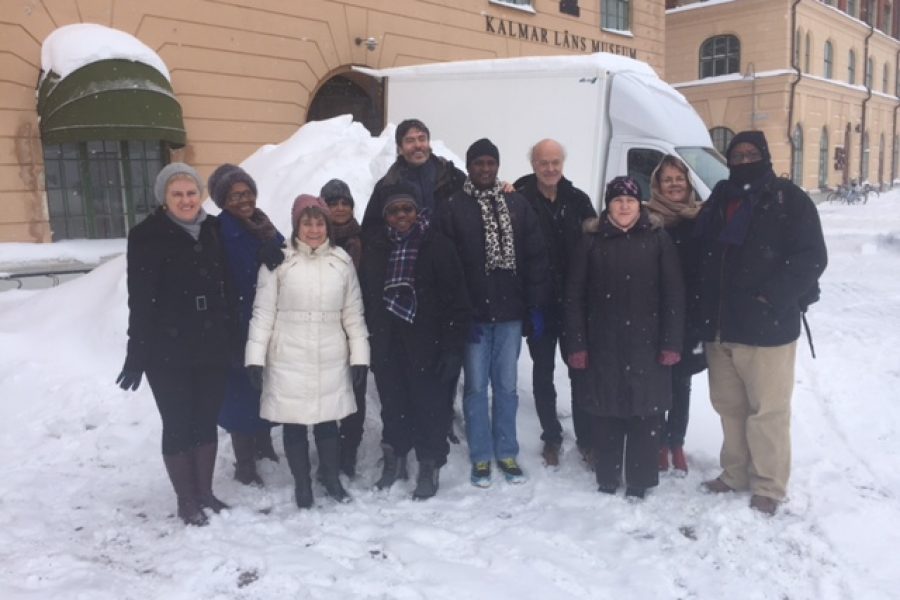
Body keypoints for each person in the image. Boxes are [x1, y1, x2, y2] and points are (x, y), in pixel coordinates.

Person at [694, 130, 827, 515]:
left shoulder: (789, 200)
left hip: (768, 329)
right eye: (737, 154)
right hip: (721, 327)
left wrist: (771, 297)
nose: (744, 160)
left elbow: (811, 258)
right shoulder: (720, 198)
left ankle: (769, 484)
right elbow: (703, 251)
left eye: (752, 153)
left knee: (767, 410)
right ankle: (735, 473)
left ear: (765, 156)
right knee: (729, 407)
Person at [116, 163, 233, 526]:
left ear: (201, 195)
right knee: (178, 422)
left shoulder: (215, 228)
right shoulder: (146, 235)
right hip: (168, 349)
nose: (186, 200)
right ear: (164, 199)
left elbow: (229, 286)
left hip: (212, 343)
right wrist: (136, 355)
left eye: (191, 193)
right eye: (177, 194)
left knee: (206, 421)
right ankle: (186, 499)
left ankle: (205, 493)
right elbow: (141, 299)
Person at [244, 195, 369, 509]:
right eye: (307, 222)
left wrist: (360, 356)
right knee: (294, 423)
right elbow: (262, 314)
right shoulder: (278, 262)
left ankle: (330, 478)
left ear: (327, 226)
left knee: (328, 422)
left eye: (319, 223)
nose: (314, 229)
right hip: (289, 355)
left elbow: (353, 314)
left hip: (330, 354)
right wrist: (255, 358)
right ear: (296, 225)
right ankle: (302, 484)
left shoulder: (341, 263)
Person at [438, 138, 550, 488]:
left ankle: (506, 451)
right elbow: (448, 266)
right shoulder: (455, 207)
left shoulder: (516, 204)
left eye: (491, 163)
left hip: (511, 314)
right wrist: (461, 312)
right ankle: (481, 456)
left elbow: (535, 258)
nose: (485, 169)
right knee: (475, 389)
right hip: (474, 316)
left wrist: (534, 306)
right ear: (469, 167)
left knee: (506, 387)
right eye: (479, 163)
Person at [565, 176, 685, 500]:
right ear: (608, 205)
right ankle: (607, 475)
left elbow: (674, 295)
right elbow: (574, 296)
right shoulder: (590, 241)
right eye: (618, 200)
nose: (624, 206)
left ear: (640, 204)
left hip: (648, 343)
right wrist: (576, 344)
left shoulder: (658, 239)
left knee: (645, 412)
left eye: (630, 200)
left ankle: (640, 480)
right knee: (606, 411)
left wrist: (672, 343)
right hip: (603, 343)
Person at [359, 183, 472, 499]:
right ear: (386, 216)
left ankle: (428, 463)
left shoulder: (438, 246)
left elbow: (457, 302)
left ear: (418, 211)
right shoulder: (378, 247)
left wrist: (452, 348)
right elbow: (368, 297)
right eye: (394, 211)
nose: (401, 216)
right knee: (393, 407)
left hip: (429, 344)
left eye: (407, 209)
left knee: (430, 408)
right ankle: (394, 459)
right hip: (388, 343)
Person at [514, 139, 597, 467]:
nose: (550, 169)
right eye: (543, 163)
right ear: (534, 165)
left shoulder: (578, 201)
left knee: (580, 371)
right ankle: (551, 436)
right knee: (543, 372)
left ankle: (587, 438)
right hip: (539, 305)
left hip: (574, 305)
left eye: (555, 162)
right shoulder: (519, 200)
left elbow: (596, 249)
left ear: (563, 163)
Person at [208, 163, 285, 487]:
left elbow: (285, 259)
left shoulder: (263, 224)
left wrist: (275, 251)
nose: (244, 200)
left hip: (268, 320)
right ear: (222, 200)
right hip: (237, 323)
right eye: (235, 195)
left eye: (248, 192)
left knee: (264, 384)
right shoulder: (217, 231)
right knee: (240, 391)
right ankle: (244, 462)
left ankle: (264, 442)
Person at [646, 155, 706, 474]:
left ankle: (676, 442)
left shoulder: (701, 217)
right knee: (658, 382)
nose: (673, 184)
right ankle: (657, 443)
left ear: (688, 182)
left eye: (679, 178)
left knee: (682, 382)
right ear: (657, 184)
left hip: (691, 314)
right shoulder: (648, 218)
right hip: (656, 315)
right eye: (667, 179)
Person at [320, 178, 366, 478]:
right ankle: (328, 452)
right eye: (333, 202)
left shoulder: (364, 239)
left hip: (356, 327)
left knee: (355, 392)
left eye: (344, 202)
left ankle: (348, 452)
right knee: (325, 393)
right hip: (322, 330)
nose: (339, 208)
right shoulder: (311, 239)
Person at [362, 118, 466, 239]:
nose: (417, 145)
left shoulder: (452, 177)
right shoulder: (387, 185)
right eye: (410, 141)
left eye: (422, 139)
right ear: (400, 148)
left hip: (448, 253)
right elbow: (371, 229)